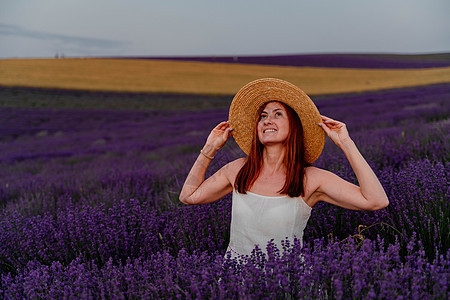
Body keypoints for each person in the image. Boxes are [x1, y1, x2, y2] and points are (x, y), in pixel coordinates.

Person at [179, 78, 389, 259]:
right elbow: (189, 196)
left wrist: (346, 143)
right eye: (262, 116)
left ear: (293, 126)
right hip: (235, 282)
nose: (267, 120)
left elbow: (376, 201)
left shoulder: (310, 179)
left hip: (285, 282)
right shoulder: (238, 170)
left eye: (277, 114)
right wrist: (209, 148)